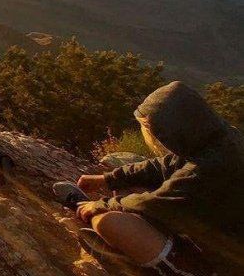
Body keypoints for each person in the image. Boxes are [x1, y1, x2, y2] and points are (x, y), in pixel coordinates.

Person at [53, 81, 244, 275]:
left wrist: (98, 205)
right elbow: (163, 165)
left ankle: (177, 268)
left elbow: (151, 205)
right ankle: (146, 255)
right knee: (128, 190)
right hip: (218, 235)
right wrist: (107, 178)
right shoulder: (218, 141)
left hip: (228, 263)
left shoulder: (206, 170)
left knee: (108, 222)